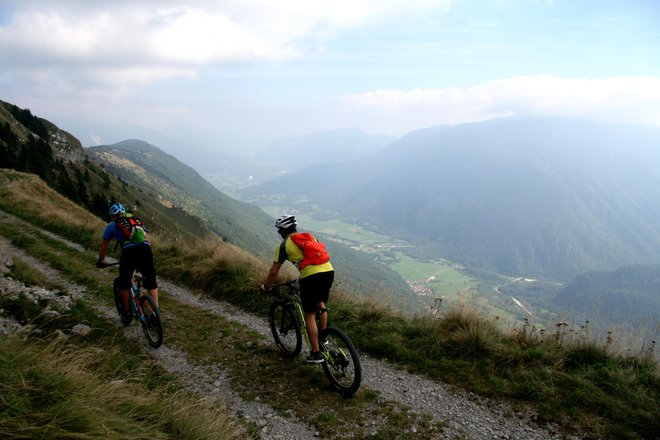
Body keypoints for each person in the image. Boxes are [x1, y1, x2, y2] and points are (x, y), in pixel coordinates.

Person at [261, 214, 334, 364]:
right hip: (328, 271)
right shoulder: (310, 237)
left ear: (282, 231)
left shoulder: (284, 245)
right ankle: (323, 337)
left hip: (310, 276)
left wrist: (267, 286)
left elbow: (274, 271)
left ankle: (316, 353)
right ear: (294, 228)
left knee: (310, 314)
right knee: (320, 303)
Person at [96, 203, 159, 314]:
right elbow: (148, 240)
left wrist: (101, 261)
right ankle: (155, 313)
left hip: (129, 252)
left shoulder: (111, 225)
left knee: (124, 283)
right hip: (145, 249)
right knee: (151, 283)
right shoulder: (135, 221)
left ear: (112, 216)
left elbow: (104, 247)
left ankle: (126, 311)